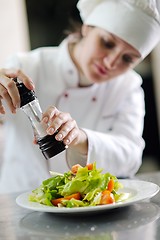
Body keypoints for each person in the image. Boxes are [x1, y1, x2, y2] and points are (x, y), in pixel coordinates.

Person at [0, 0, 160, 193]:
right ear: (87, 28)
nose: (111, 62)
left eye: (127, 59)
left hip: (86, 208)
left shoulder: (128, 86)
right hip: (18, 202)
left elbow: (130, 158)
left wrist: (79, 138)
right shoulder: (27, 66)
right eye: (107, 43)